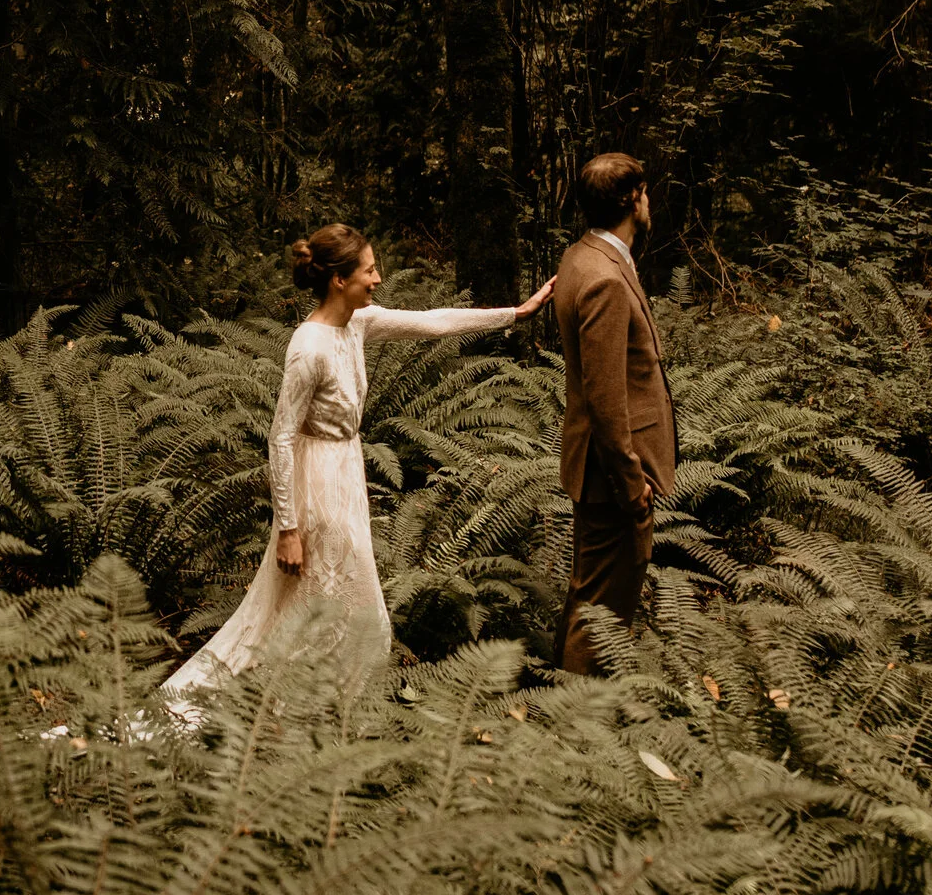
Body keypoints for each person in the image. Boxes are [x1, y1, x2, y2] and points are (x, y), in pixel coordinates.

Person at [160, 225, 554, 702]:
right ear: (339, 280)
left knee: (322, 607)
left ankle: (300, 705)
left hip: (346, 470)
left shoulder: (358, 322)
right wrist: (288, 529)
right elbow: (280, 437)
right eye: (369, 270)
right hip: (317, 485)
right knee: (352, 610)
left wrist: (516, 313)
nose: (378, 279)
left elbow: (434, 321)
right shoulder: (309, 347)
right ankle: (296, 705)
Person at [551, 152, 676, 674]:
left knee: (590, 594)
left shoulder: (583, 256)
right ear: (632, 200)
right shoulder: (603, 277)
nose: (649, 202)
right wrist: (632, 484)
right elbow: (604, 399)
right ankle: (579, 716)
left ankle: (563, 703)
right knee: (602, 611)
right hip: (614, 476)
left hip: (603, 469)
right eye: (644, 193)